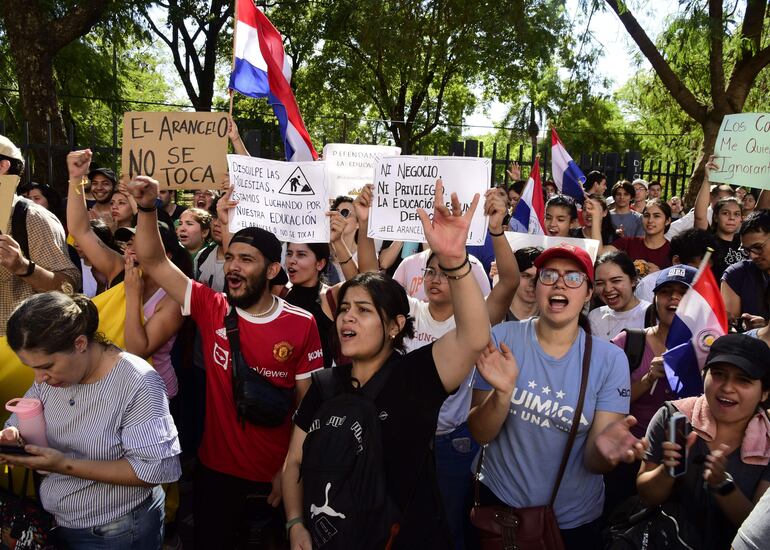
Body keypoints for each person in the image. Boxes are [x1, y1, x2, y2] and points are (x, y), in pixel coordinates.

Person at [283, 181, 490, 550]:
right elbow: (293, 463)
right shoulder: (325, 384)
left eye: (363, 311)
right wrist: (296, 523)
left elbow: (474, 337)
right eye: (344, 309)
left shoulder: (417, 377)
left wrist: (454, 259)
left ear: (396, 326)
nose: (348, 319)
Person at [127, 174, 324, 549]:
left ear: (270, 271)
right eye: (230, 257)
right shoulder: (210, 306)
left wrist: (289, 472)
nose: (233, 266)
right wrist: (149, 207)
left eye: (246, 260)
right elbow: (153, 259)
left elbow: (308, 404)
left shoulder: (301, 323)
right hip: (214, 472)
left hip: (272, 478)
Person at [468, 244, 646, 549]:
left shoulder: (609, 360)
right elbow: (480, 433)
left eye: (573, 278)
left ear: (589, 293)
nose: (559, 284)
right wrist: (503, 394)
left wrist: (606, 450)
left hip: (570, 523)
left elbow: (595, 461)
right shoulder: (503, 338)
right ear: (537, 288)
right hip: (497, 504)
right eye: (548, 276)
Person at [0, 291, 182, 548]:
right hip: (63, 520)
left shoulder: (137, 382)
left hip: (117, 529)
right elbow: (24, 415)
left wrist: (64, 465)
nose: (39, 378)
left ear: (80, 344)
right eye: (32, 368)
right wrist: (12, 435)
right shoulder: (51, 379)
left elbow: (154, 470)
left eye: (46, 366)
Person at [66, 150, 189, 400]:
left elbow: (138, 349)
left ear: (166, 255)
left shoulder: (173, 299)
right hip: (109, 389)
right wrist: (76, 179)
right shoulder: (120, 268)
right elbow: (80, 230)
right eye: (128, 242)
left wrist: (132, 296)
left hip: (152, 394)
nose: (130, 249)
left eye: (139, 243)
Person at [637, 333, 770, 550]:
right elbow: (647, 496)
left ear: (764, 393)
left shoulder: (767, 442)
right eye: (718, 374)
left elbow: (758, 530)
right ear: (703, 374)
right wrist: (667, 471)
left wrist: (722, 485)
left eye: (743, 380)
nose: (727, 387)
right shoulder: (672, 417)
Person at [603, 265, 696, 510]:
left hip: (685, 461)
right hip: (631, 455)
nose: (674, 298)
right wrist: (648, 379)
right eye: (666, 292)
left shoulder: (707, 349)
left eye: (683, 293)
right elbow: (606, 400)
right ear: (655, 299)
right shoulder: (628, 343)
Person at [0, 134, 80, 336]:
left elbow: (68, 288)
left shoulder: (32, 218)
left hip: (16, 352)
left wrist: (22, 266)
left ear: (3, 166)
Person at [634, 227, 717, 303]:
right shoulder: (648, 286)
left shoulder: (708, 292)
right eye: (696, 270)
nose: (702, 278)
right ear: (676, 261)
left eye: (707, 273)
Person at [694, 156, 744, 281]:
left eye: (736, 214)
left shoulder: (745, 242)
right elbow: (699, 217)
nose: (732, 217)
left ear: (741, 219)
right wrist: (707, 178)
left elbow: (763, 208)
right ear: (715, 217)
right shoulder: (709, 239)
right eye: (726, 213)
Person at [594, 198, 672, 272]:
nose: (650, 220)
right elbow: (600, 252)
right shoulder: (628, 243)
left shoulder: (673, 250)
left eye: (657, 216)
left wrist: (660, 274)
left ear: (667, 221)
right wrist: (595, 216)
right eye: (646, 215)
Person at [589, 251, 651, 341]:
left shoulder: (652, 315)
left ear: (633, 280)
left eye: (616, 281)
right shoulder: (594, 317)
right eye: (600, 283)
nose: (608, 289)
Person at [721, 209, 770, 324]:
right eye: (747, 250)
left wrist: (765, 329)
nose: (753, 255)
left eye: (758, 247)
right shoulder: (736, 275)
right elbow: (729, 329)